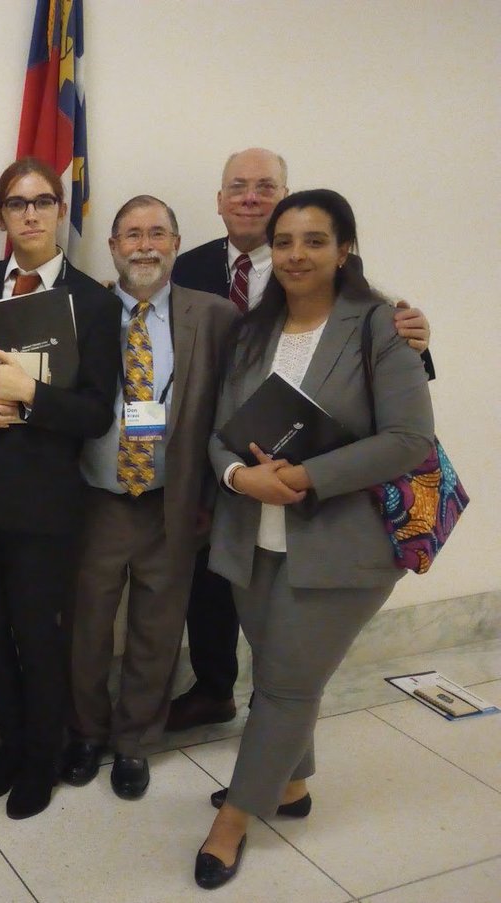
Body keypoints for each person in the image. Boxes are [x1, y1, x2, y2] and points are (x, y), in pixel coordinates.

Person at [194, 189, 434, 889]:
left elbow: (409, 438)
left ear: (344, 249)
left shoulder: (380, 327)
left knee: (286, 687)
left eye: (315, 240)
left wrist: (306, 474)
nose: (298, 254)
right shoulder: (250, 332)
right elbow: (216, 434)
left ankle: (234, 820)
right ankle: (291, 789)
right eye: (286, 242)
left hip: (339, 543)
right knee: (273, 671)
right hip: (251, 536)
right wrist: (240, 476)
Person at [167, 148, 433, 731]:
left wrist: (416, 335)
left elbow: (379, 366)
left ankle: (278, 714)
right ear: (219, 200)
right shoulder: (185, 267)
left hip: (306, 484)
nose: (250, 197)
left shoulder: (314, 267)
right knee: (213, 581)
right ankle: (215, 687)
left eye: (266, 186)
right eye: (238, 186)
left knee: (285, 632)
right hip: (216, 455)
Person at [0, 157, 121, 819]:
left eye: (43, 202)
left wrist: (34, 396)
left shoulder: (93, 302)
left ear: (60, 210)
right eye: (17, 203)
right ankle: (12, 743)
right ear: (0, 216)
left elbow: (97, 412)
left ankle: (43, 758)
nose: (31, 214)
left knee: (37, 638)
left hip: (44, 503)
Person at [63, 196, 237, 799]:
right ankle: (86, 732)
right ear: (112, 248)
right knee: (87, 628)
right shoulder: (84, 310)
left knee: (157, 631)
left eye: (157, 233)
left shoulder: (214, 315)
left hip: (173, 501)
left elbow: (236, 402)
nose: (144, 245)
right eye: (131, 235)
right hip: (97, 500)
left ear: (176, 243)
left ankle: (135, 742)